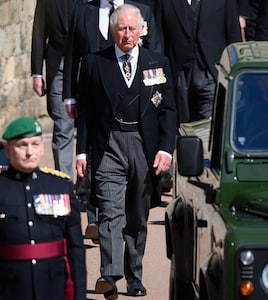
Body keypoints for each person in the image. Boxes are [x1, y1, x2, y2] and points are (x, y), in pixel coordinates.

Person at [76, 4, 177, 298]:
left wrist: (165, 150)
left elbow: (168, 111)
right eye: (121, 29)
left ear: (142, 30)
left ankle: (135, 276)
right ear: (112, 31)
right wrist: (82, 153)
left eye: (132, 28)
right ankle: (109, 274)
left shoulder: (156, 63)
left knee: (136, 216)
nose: (127, 34)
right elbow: (86, 114)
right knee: (110, 213)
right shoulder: (96, 63)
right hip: (109, 145)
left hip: (144, 148)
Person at [63, 0, 162, 243]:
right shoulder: (84, 11)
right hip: (93, 97)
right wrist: (70, 94)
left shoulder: (141, 12)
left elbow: (155, 54)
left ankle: (115, 217)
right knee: (95, 158)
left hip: (130, 106)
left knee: (130, 181)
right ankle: (96, 218)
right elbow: (73, 54)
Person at [0, 117, 86, 300]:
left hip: (53, 286)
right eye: (22, 145)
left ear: (42, 147)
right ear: (7, 149)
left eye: (35, 144)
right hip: (10, 288)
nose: (29, 152)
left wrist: (80, 295)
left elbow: (75, 248)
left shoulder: (60, 186)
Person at [155, 0, 242, 122]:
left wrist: (234, 72)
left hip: (211, 73)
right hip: (179, 76)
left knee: (209, 124)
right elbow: (159, 39)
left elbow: (234, 36)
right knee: (182, 125)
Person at [31, 0, 78, 179]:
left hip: (85, 67)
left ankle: (84, 188)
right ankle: (64, 182)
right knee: (62, 126)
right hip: (58, 66)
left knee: (88, 128)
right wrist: (36, 73)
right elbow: (39, 30)